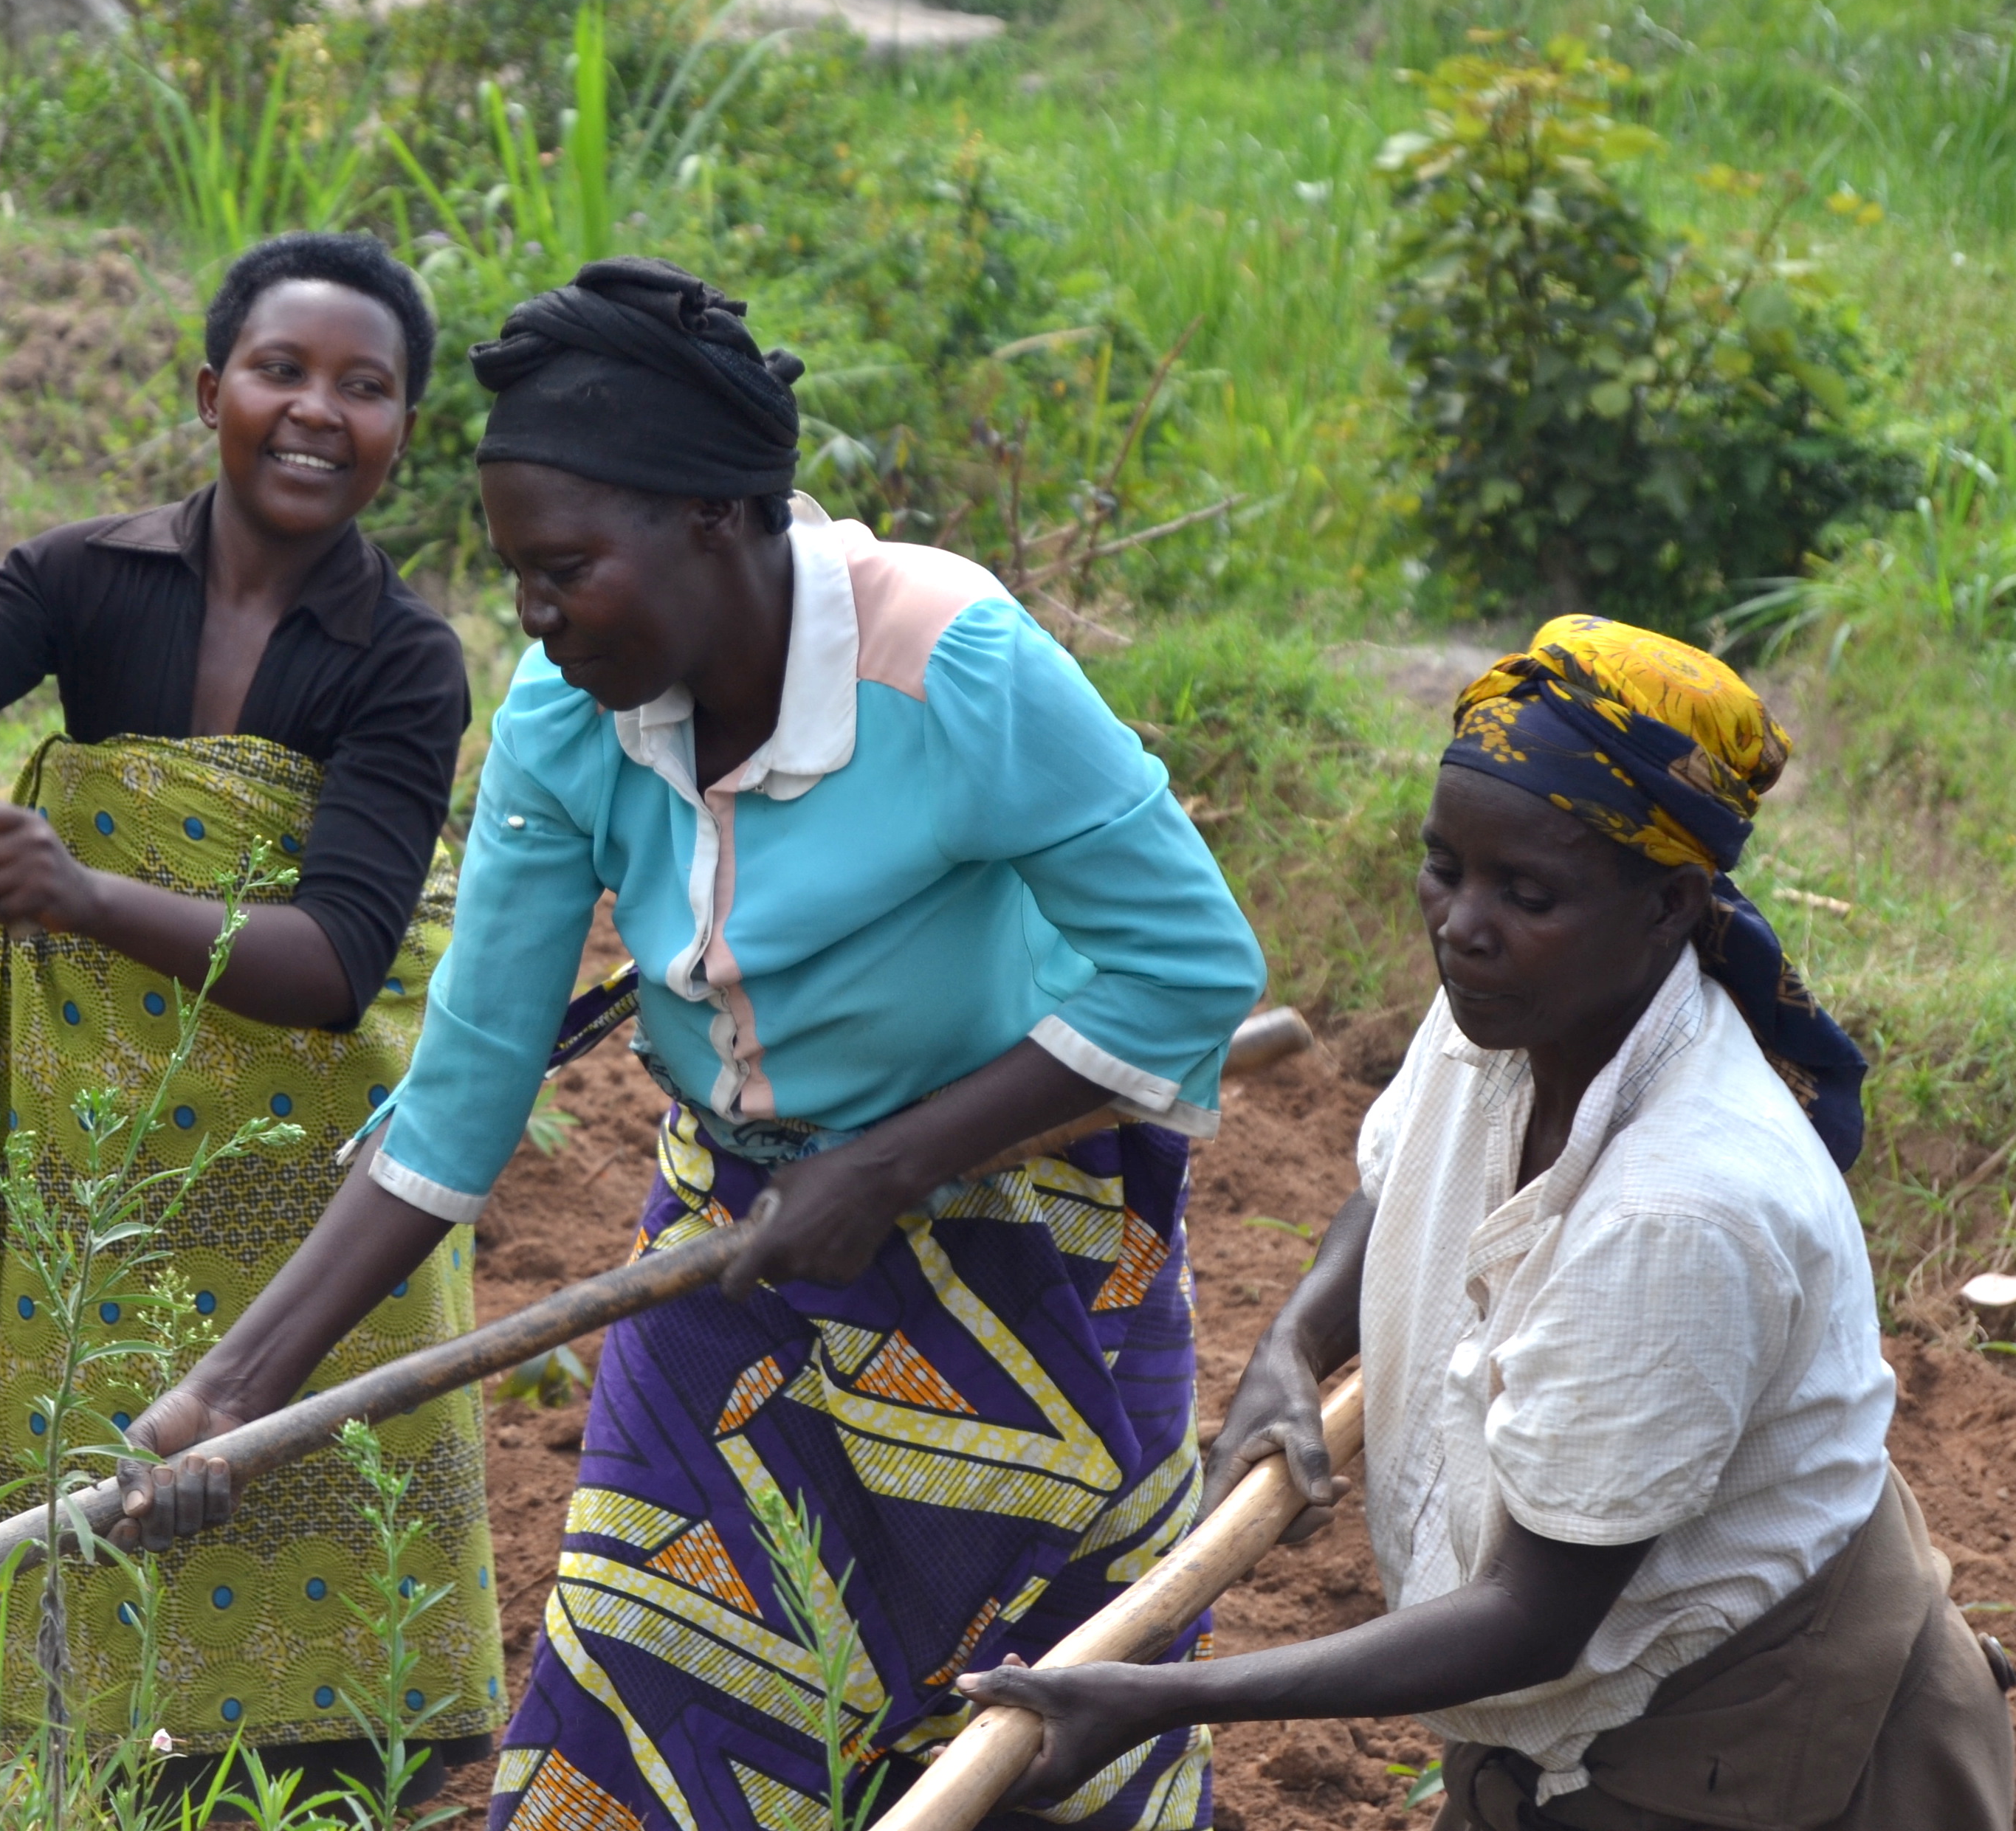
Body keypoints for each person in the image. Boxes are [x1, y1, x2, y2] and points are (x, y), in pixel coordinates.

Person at [111, 257, 1269, 1831]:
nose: (533, 614)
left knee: (1042, 1727)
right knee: (639, 1706)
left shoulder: (949, 661)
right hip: (739, 1250)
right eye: (516, 571)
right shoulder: (565, 712)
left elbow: (1189, 968)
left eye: (568, 567)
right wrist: (227, 1394)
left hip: (1031, 1244)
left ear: (719, 521)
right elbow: (463, 1095)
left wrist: (894, 1166)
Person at [957, 617, 2016, 1830]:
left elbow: (1531, 1618)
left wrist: (1153, 1695)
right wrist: (1292, 1347)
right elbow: (1398, 1178)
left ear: (1671, 905)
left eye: (1525, 892)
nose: (1460, 922)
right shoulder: (1511, 1005)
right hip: (1581, 1707)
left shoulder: (1682, 1210)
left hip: (1743, 1735)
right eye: (1444, 868)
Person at [0, 232, 497, 1807]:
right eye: (281, 372)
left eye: (364, 389)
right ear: (208, 388)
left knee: (327, 1538)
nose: (316, 412)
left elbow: (335, 961)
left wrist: (86, 896)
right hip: (103, 1161)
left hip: (308, 1192)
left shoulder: (405, 660)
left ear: (403, 433)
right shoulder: (85, 582)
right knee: (93, 1497)